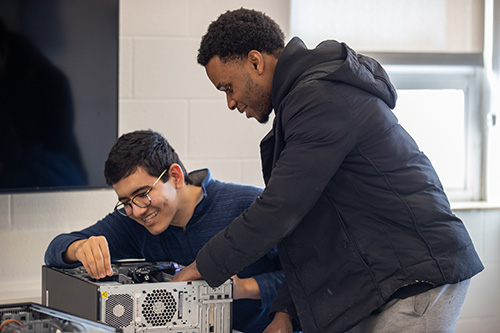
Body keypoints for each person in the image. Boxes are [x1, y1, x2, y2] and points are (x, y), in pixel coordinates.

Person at [171, 8, 484, 333]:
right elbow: (308, 226)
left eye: (227, 87)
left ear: (255, 62)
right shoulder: (304, 103)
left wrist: (202, 267)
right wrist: (285, 312)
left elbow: (281, 208)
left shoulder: (320, 98)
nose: (231, 103)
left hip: (415, 273)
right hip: (387, 277)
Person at [44, 129, 284, 333]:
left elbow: (308, 275)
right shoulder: (134, 224)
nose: (137, 211)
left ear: (176, 176)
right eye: (126, 201)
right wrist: (79, 248)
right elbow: (56, 250)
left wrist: (244, 288)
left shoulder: (250, 205)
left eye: (143, 194)